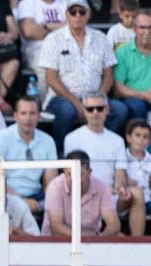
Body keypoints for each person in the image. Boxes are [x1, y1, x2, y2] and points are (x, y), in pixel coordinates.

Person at [40, 0, 123, 154]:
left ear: (89, 14)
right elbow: (51, 78)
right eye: (73, 12)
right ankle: (62, 154)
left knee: (120, 110)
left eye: (82, 11)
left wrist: (98, 98)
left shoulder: (101, 38)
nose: (77, 15)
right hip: (63, 98)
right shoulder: (53, 39)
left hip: (95, 96)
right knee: (66, 111)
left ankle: (100, 148)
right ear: (66, 15)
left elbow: (108, 74)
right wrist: (77, 104)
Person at [63, 92, 144, 234]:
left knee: (137, 193)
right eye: (90, 109)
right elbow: (73, 176)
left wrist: (119, 189)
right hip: (83, 194)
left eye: (99, 108)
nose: (95, 113)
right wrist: (103, 190)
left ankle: (136, 245)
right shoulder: (72, 139)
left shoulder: (117, 140)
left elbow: (120, 172)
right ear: (84, 111)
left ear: (107, 109)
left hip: (111, 195)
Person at [0, 95, 57, 212]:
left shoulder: (48, 141)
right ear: (15, 116)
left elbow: (50, 183)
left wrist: (46, 203)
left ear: (39, 116)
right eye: (23, 113)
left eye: (32, 113)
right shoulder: (0, 138)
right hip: (5, 195)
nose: (28, 118)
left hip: (37, 197)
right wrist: (20, 202)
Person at [42, 151, 119, 236]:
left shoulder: (102, 187)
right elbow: (56, 227)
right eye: (70, 174)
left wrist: (97, 241)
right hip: (57, 242)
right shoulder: (55, 186)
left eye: (79, 175)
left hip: (93, 241)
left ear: (89, 172)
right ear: (64, 171)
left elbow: (114, 225)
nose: (74, 179)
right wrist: (86, 240)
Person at [113, 10, 151, 128]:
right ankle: (137, 145)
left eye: (150, 27)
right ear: (134, 29)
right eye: (142, 28)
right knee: (137, 107)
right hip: (133, 98)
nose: (147, 32)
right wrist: (144, 95)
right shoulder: (122, 52)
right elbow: (119, 88)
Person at [0, 169, 40, 235]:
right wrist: (5, 234)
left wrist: (16, 232)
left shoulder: (21, 206)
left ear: (5, 191)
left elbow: (36, 238)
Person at [15, 0, 65, 82]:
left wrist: (47, 27)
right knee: (47, 70)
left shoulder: (66, 2)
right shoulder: (27, 3)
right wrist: (55, 28)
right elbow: (29, 32)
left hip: (65, 47)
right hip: (37, 49)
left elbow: (75, 29)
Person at [123, 118, 151, 219]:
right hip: (129, 202)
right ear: (128, 137)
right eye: (137, 135)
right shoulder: (121, 159)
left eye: (145, 137)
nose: (141, 140)